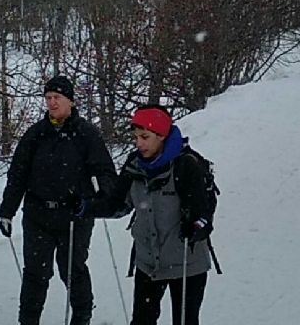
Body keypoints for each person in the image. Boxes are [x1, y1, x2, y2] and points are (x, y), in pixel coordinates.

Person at [83, 105, 217, 325]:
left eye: (145, 137)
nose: (139, 143)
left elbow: (204, 213)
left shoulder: (187, 165)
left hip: (186, 263)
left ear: (162, 136)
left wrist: (196, 227)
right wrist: (86, 207)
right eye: (136, 137)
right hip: (148, 263)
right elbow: (118, 205)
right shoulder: (134, 165)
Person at [0, 75, 116, 325]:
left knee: (73, 271)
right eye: (48, 98)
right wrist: (6, 211)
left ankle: (82, 317)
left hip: (74, 215)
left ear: (70, 101)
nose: (52, 103)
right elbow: (17, 175)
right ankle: (28, 321)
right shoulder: (35, 134)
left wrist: (102, 199)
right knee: (35, 273)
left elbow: (105, 171)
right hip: (38, 214)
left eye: (57, 98)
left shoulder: (85, 134)